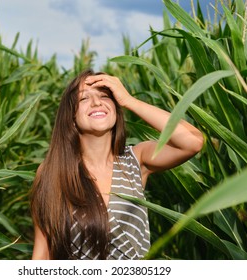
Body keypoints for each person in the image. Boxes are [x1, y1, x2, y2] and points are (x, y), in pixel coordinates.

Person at [30, 69, 203, 260]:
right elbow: (43, 253)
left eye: (105, 96)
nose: (96, 102)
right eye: (84, 99)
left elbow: (193, 142)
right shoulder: (52, 172)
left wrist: (130, 101)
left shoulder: (136, 160)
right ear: (70, 118)